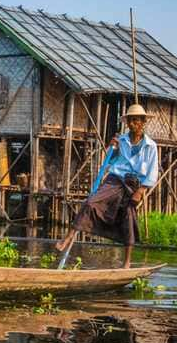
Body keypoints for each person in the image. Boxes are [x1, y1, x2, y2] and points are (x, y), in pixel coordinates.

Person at [55, 104, 159, 267]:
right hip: (115, 179)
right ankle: (67, 239)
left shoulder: (150, 146)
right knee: (90, 202)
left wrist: (141, 190)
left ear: (143, 122)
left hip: (133, 184)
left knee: (128, 219)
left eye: (136, 120)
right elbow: (110, 161)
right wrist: (112, 148)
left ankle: (127, 263)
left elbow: (153, 172)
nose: (133, 124)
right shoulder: (121, 140)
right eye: (130, 121)